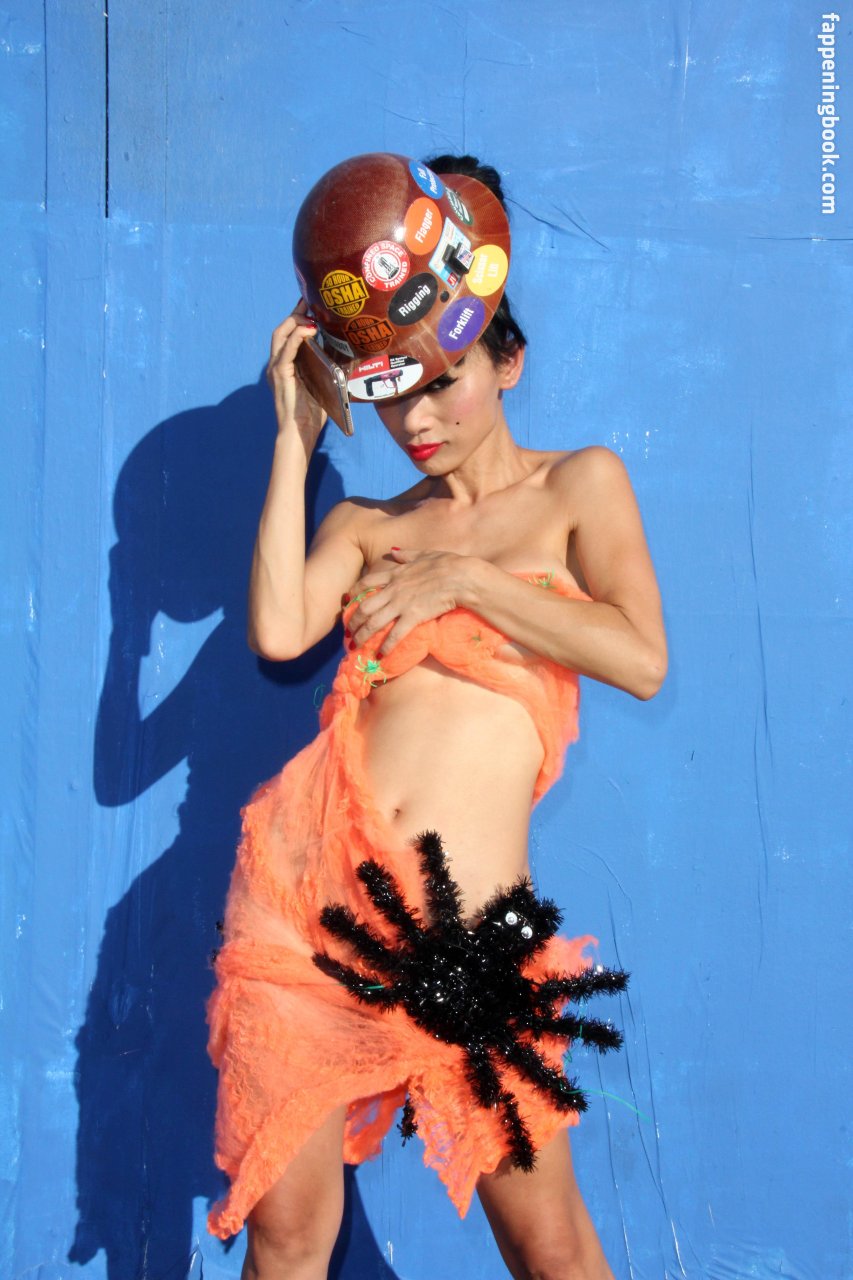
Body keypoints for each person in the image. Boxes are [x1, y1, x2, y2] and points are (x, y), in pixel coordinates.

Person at [207, 154, 667, 1280]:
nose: (417, 417)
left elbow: (640, 658)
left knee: (553, 1250)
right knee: (287, 1240)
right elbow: (277, 629)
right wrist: (294, 437)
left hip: (467, 942)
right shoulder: (368, 525)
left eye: (444, 379)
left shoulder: (577, 487)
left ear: (507, 360)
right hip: (310, 915)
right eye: (391, 392)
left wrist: (467, 582)